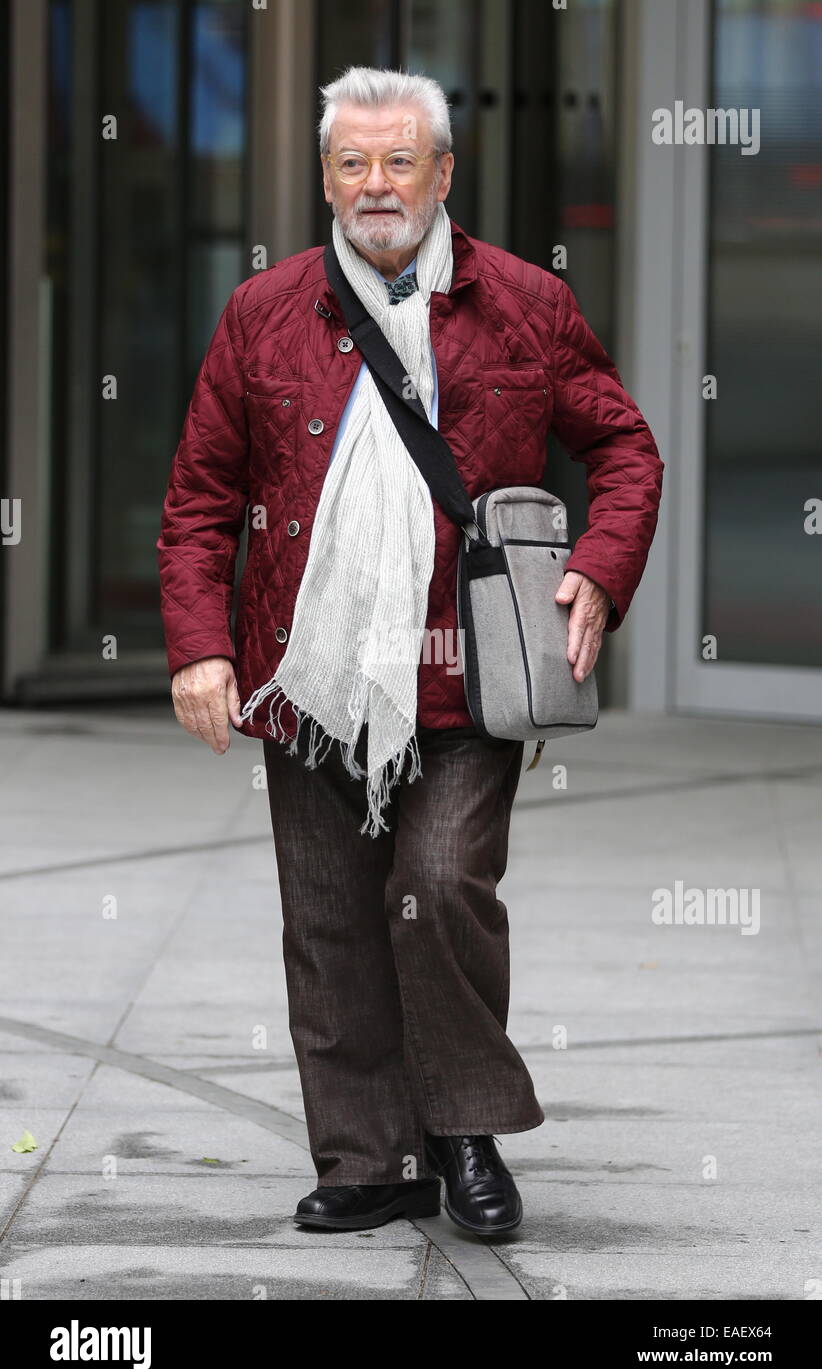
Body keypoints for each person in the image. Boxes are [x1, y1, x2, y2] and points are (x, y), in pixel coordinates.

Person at [157, 66, 664, 1236]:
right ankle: (370, 1158)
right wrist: (199, 644)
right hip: (312, 668)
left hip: (469, 660)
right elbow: (199, 503)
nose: (375, 185)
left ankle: (464, 1127)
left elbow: (626, 448)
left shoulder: (527, 303)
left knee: (436, 887)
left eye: (399, 162)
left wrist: (600, 565)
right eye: (352, 164)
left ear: (444, 172)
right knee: (330, 915)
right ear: (325, 177)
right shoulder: (264, 313)